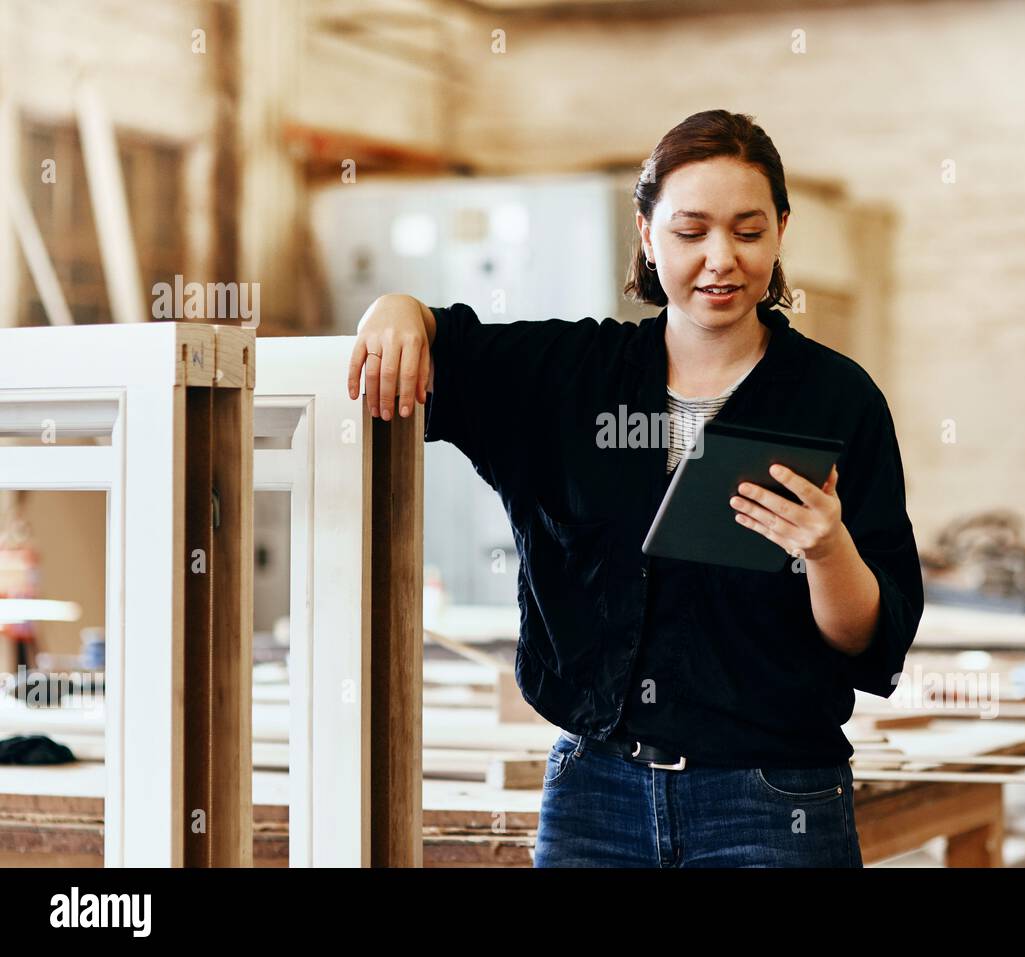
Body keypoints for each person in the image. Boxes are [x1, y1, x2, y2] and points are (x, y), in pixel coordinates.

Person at [346, 110, 924, 868]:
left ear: (782, 230)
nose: (721, 259)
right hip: (595, 796)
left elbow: (868, 639)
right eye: (690, 232)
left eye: (748, 232)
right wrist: (395, 310)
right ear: (648, 233)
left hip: (773, 802)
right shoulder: (569, 376)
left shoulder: (836, 400)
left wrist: (826, 547)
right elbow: (445, 345)